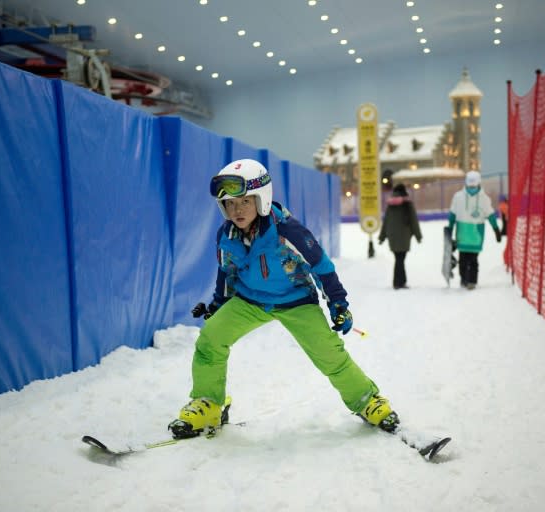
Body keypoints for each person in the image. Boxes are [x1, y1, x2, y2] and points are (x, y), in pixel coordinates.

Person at [168, 159, 400, 439]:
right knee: (210, 340)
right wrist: (218, 305)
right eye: (230, 204)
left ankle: (367, 400)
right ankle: (208, 403)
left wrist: (339, 304)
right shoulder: (226, 235)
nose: (237, 210)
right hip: (249, 301)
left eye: (244, 202)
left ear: (262, 200)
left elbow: (321, 265)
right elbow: (227, 272)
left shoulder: (287, 231)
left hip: (295, 300)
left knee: (329, 354)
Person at [448, 171, 502, 290]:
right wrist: (450, 228)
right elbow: (452, 214)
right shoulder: (458, 197)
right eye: (470, 186)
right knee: (462, 260)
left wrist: (496, 229)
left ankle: (472, 281)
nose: (471, 188)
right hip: (462, 234)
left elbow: (490, 215)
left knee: (473, 260)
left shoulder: (484, 199)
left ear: (478, 184)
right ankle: (464, 279)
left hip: (476, 235)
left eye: (474, 186)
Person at [377, 183, 422, 289]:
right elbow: (413, 221)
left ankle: (400, 281)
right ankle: (398, 282)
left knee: (398, 258)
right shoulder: (408, 204)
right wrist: (418, 236)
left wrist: (382, 237)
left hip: (392, 236)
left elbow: (386, 222)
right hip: (404, 236)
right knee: (400, 259)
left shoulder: (390, 205)